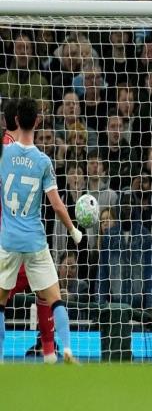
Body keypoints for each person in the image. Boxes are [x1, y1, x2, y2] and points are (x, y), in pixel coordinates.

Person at [0, 97, 82, 363]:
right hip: (34, 240)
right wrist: (74, 230)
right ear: (37, 121)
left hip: (8, 240)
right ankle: (60, 350)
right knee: (53, 298)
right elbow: (57, 205)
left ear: (13, 120)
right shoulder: (43, 161)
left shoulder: (4, 154)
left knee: (1, 302)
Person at [2, 98, 58, 363]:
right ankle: (49, 350)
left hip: (9, 237)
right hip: (19, 237)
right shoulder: (21, 153)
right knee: (46, 293)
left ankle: (47, 348)